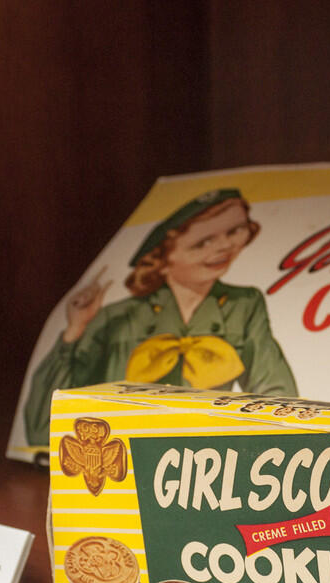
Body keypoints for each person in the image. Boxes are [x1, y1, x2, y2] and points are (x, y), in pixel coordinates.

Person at [23, 188, 297, 447]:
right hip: (127, 463)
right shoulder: (118, 317)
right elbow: (43, 428)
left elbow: (276, 395)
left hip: (206, 461)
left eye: (234, 231)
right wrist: (75, 329)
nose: (225, 247)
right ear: (162, 258)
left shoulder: (244, 304)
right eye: (204, 242)